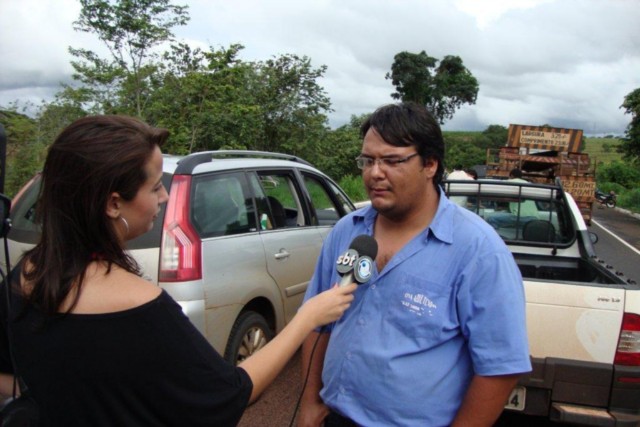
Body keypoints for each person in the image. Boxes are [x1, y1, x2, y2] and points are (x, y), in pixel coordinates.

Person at [0, 115, 357, 426]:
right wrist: (305, 318)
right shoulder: (141, 306)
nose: (164, 197)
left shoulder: (24, 275)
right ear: (113, 204)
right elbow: (229, 395)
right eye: (155, 186)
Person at [298, 102, 531, 427]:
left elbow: (500, 367)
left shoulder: (478, 250)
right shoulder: (347, 232)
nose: (375, 172)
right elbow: (317, 322)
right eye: (368, 160)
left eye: (392, 161)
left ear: (430, 164)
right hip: (335, 417)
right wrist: (310, 401)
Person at [486, 168, 539, 234]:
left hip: (518, 216)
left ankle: (496, 237)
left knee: (491, 218)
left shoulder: (510, 182)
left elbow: (494, 189)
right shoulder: (529, 184)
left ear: (511, 176)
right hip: (534, 217)